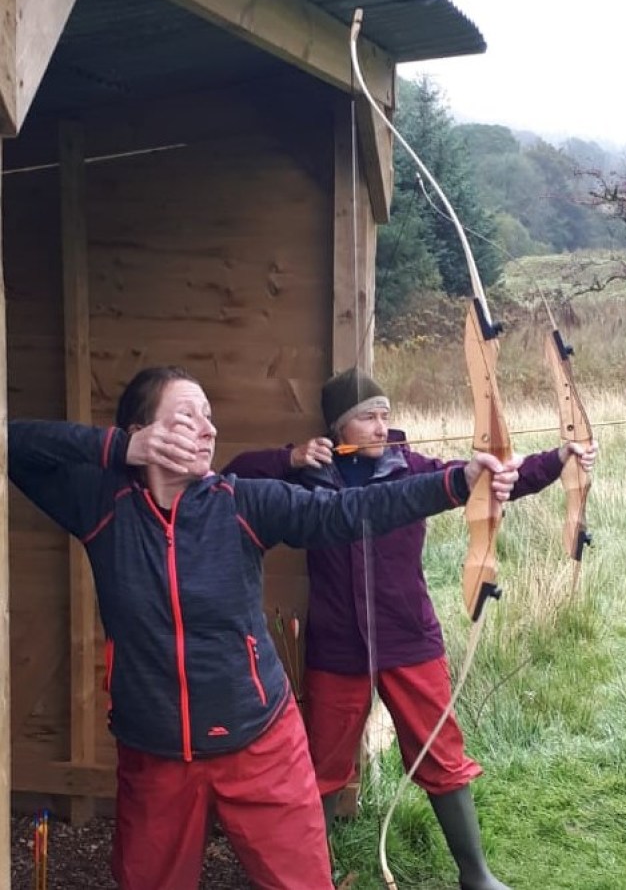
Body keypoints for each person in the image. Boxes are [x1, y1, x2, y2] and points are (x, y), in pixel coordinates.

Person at [7, 365, 520, 890]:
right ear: (143, 432)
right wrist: (120, 449)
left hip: (260, 744)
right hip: (154, 751)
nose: (208, 429)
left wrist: (455, 483)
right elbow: (11, 444)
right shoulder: (101, 505)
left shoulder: (241, 502)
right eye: (187, 417)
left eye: (209, 417)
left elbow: (347, 510)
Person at [222, 366, 598, 890]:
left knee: (441, 754)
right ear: (338, 428)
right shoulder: (309, 477)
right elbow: (232, 476)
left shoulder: (410, 468)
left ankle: (476, 875)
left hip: (408, 638)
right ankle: (310, 877)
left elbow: (494, 480)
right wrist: (290, 458)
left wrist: (559, 459)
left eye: (385, 416)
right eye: (367, 418)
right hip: (337, 647)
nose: (381, 427)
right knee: (324, 766)